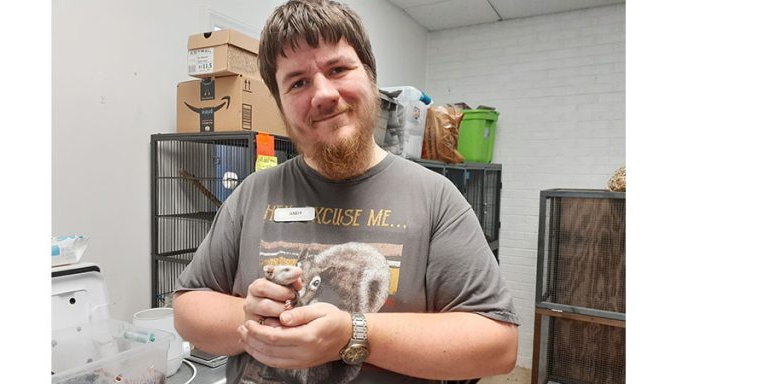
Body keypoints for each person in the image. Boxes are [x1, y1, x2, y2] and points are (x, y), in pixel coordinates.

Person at [173, 0, 520, 382]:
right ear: (281, 105)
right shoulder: (253, 193)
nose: (322, 94)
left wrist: (351, 334)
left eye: (337, 69)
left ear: (370, 77)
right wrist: (247, 315)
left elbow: (498, 346)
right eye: (298, 82)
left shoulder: (436, 199)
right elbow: (188, 308)